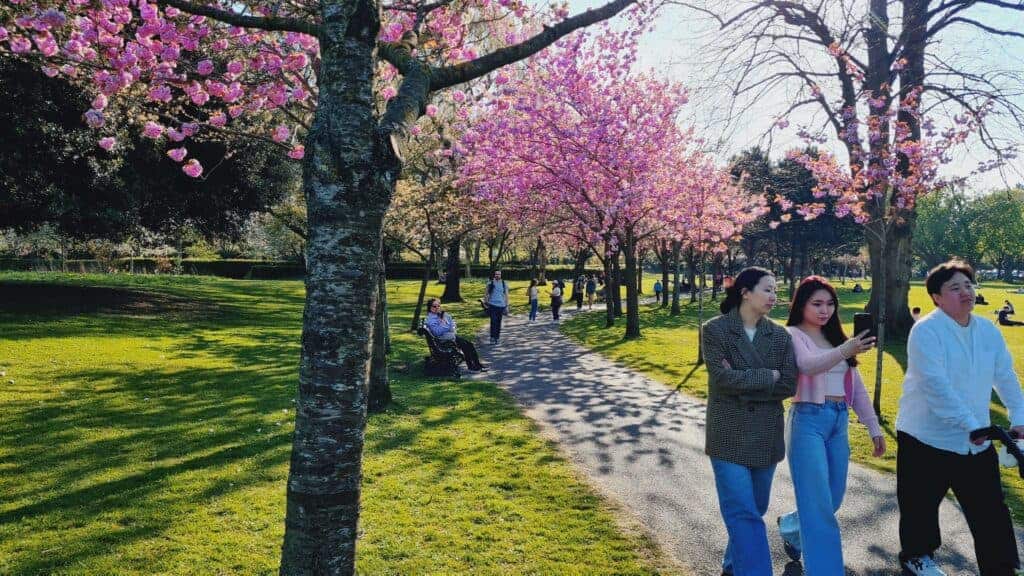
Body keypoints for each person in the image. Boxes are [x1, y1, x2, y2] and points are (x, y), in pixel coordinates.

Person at [896, 260, 1024, 576]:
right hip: (925, 437)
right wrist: (972, 425)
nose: (965, 292)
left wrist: (1020, 416)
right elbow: (936, 387)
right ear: (936, 297)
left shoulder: (987, 330)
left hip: (976, 442)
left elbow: (1005, 375)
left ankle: (1002, 568)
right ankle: (916, 556)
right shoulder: (926, 331)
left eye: (968, 285)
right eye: (955, 287)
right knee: (920, 506)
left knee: (991, 509)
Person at [776, 276, 885, 574]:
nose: (825, 310)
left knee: (833, 497)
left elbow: (857, 388)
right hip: (808, 419)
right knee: (819, 506)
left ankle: (791, 525)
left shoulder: (836, 338)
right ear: (802, 305)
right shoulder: (793, 334)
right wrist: (845, 350)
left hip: (839, 420)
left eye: (830, 303)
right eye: (817, 304)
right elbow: (807, 366)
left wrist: (873, 426)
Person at [701, 266, 797, 576]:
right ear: (745, 292)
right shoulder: (715, 330)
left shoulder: (780, 336)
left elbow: (788, 385)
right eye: (767, 289)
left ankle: (733, 564)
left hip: (766, 436)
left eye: (775, 290)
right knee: (742, 512)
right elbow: (721, 378)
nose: (774, 296)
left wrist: (743, 382)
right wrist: (767, 376)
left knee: (755, 509)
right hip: (727, 435)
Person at [424, 298, 486, 372]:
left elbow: (452, 323)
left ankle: (476, 365)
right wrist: (447, 325)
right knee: (466, 345)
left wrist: (448, 324)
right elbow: (438, 332)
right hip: (443, 340)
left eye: (438, 306)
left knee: (469, 344)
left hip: (449, 336)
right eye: (434, 306)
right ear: (429, 308)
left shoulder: (440, 315)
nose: (437, 308)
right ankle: (473, 367)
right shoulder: (431, 319)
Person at [485, 270, 510, 345]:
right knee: (493, 321)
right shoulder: (490, 283)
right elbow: (486, 293)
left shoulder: (504, 283)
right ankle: (492, 338)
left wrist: (507, 306)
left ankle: (497, 338)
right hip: (492, 305)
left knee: (498, 322)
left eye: (499, 274)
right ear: (494, 275)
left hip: (501, 306)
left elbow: (506, 295)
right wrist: (485, 302)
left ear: (501, 275)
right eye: (496, 274)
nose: (497, 275)